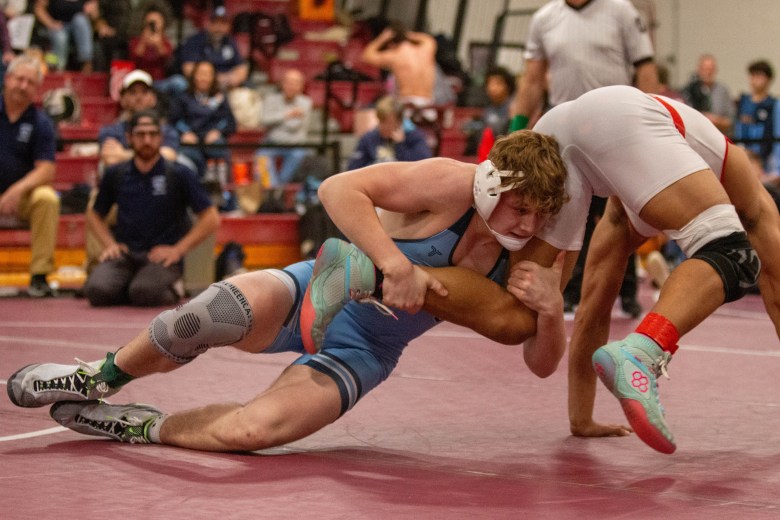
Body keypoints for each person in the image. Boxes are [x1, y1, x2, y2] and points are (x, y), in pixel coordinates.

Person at [7, 130, 571, 451]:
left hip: (366, 347)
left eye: (538, 216)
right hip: (312, 290)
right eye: (519, 208)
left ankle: (138, 424)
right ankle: (99, 376)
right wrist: (394, 263)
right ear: (490, 184)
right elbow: (338, 189)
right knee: (206, 314)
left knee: (252, 431)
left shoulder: (537, 252)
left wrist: (550, 313)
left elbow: (541, 364)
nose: (526, 226)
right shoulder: (450, 183)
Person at [305, 85, 780, 455]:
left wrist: (582, 417)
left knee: (523, 313)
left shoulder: (622, 204)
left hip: (559, 132)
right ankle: (645, 350)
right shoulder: (737, 185)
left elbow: (594, 303)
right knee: (736, 255)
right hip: (619, 122)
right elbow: (774, 285)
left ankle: (364, 272)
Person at [509, 0, 659, 318]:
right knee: (571, 210)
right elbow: (533, 79)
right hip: (566, 127)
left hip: (615, 123)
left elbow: (645, 69)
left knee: (622, 211)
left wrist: (652, 118)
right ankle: (570, 291)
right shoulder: (544, 18)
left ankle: (627, 292)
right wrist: (517, 127)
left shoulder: (621, 11)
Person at [82, 109, 219, 307]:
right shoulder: (116, 174)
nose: (147, 140)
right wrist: (109, 244)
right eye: (140, 134)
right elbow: (94, 214)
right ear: (129, 138)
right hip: (126, 255)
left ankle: (174, 286)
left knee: (144, 293)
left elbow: (211, 218)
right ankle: (128, 286)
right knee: (96, 291)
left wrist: (178, 250)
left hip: (161, 258)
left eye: (153, 134)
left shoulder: (179, 173)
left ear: (161, 138)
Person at [0, 54, 58, 297]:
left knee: (47, 198)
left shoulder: (41, 123)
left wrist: (16, 191)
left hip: (21, 197)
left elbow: (47, 169)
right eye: (19, 79)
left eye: (30, 82)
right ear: (7, 78)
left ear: (37, 89)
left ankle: (39, 276)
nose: (23, 86)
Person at [169, 60, 236, 180]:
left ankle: (221, 186)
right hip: (190, 140)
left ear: (213, 77)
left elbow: (230, 121)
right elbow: (174, 121)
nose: (204, 78)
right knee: (188, 154)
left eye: (208, 74)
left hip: (211, 139)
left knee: (218, 148)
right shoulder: (183, 98)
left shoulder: (220, 98)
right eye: (200, 73)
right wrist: (184, 133)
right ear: (194, 76)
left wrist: (218, 131)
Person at [360, 22, 437, 110]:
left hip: (406, 104)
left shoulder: (395, 55)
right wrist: (407, 34)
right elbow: (429, 39)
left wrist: (383, 38)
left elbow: (367, 56)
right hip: (428, 105)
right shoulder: (426, 49)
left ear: (391, 44)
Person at [256, 68, 312, 186]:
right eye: (288, 82)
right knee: (261, 156)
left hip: (295, 146)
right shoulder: (271, 99)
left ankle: (281, 187)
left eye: (295, 83)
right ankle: (271, 188)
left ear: (301, 86)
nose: (291, 86)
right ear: (282, 83)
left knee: (299, 155)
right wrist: (288, 115)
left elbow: (294, 125)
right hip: (272, 143)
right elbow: (264, 120)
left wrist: (276, 120)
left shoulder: (306, 102)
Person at [346, 95, 432, 170]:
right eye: (381, 121)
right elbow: (353, 168)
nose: (382, 126)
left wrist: (400, 146)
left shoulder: (414, 137)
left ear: (399, 122)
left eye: (388, 122)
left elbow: (421, 168)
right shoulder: (369, 138)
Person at [178, 5, 248, 92]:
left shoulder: (230, 42)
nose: (219, 27)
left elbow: (242, 68)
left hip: (226, 86)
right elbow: (188, 69)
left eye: (223, 23)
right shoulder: (195, 41)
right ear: (208, 23)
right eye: (215, 22)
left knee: (246, 91)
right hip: (200, 87)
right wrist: (213, 79)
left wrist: (231, 78)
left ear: (228, 26)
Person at [733, 60, 776, 173]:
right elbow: (737, 128)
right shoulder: (742, 101)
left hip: (763, 159)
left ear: (768, 79)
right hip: (741, 153)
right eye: (752, 75)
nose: (755, 79)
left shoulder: (772, 104)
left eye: (759, 75)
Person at [33, 0, 94, 72]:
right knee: (61, 36)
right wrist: (51, 24)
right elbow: (39, 9)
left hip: (77, 27)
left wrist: (91, 12)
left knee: (81, 20)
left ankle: (87, 62)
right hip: (55, 25)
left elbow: (94, 12)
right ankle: (59, 67)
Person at [681, 54, 735, 135]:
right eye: (705, 69)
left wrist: (716, 120)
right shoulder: (689, 91)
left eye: (711, 69)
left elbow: (731, 120)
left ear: (715, 70)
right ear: (699, 70)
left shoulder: (723, 91)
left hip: (719, 134)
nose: (708, 72)